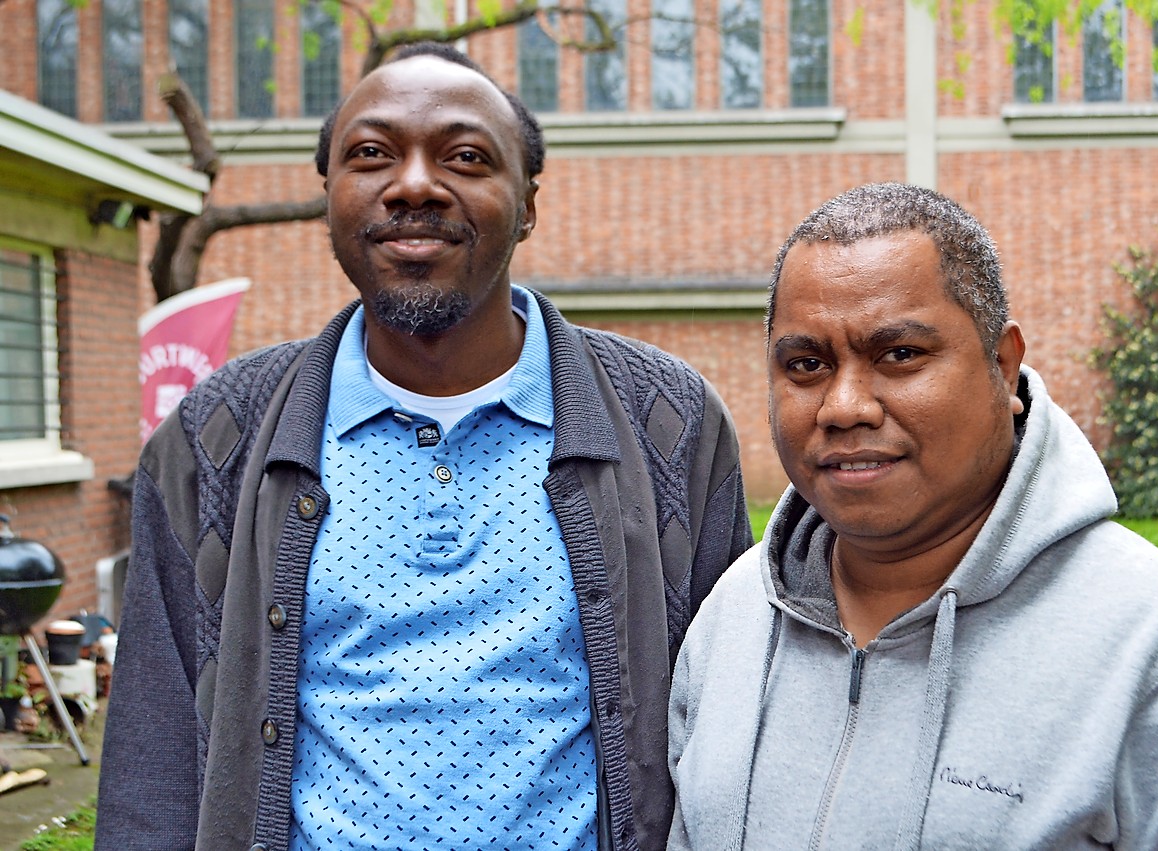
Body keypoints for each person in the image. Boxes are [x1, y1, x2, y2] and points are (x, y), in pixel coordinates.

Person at [96, 43, 751, 851]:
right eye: (371, 154)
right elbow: (151, 762)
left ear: (527, 203)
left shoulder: (671, 422)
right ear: (330, 195)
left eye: (465, 156)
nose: (412, 183)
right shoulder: (214, 437)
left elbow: (728, 729)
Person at [667, 182, 1158, 850]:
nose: (843, 405)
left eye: (899, 354)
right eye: (806, 364)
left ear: (1003, 365)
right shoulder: (731, 620)